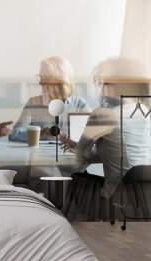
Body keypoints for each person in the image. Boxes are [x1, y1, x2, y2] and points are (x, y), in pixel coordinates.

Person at [61, 57, 151, 199]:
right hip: (143, 197)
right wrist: (78, 146)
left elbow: (76, 163)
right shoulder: (143, 112)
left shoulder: (103, 114)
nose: (102, 90)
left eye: (105, 83)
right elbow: (115, 154)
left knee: (74, 177)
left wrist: (71, 155)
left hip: (115, 197)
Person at [9, 56, 91, 142]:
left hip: (70, 153)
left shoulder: (80, 105)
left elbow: (94, 135)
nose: (40, 83)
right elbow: (14, 134)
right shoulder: (33, 103)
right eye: (41, 77)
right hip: (39, 154)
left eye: (46, 78)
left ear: (62, 81)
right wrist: (40, 133)